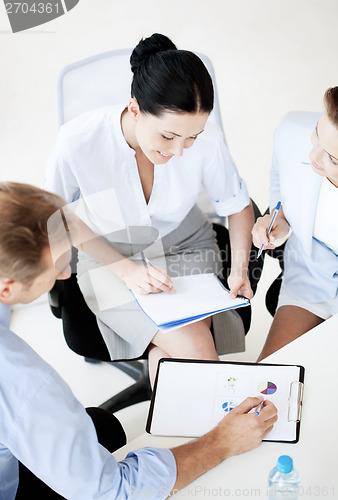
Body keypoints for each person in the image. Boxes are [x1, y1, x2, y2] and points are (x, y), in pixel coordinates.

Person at [0, 181, 277, 499]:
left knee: (103, 427)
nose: (65, 276)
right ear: (7, 287)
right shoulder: (25, 385)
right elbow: (114, 491)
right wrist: (220, 444)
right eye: (57, 267)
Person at [44, 33, 255, 383]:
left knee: (173, 351)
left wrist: (240, 270)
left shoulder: (209, 139)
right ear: (135, 109)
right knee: (196, 346)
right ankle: (227, 419)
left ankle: (202, 429)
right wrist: (126, 270)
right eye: (168, 137)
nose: (180, 151)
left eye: (192, 137)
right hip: (108, 254)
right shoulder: (78, 141)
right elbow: (55, 215)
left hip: (186, 242)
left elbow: (236, 204)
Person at [252, 87, 338, 361]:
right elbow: (280, 177)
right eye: (317, 134)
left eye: (333, 159)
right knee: (267, 380)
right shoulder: (292, 130)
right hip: (311, 274)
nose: (313, 157)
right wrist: (281, 220)